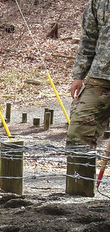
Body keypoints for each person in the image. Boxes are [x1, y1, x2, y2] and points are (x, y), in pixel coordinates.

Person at [67, 0, 110, 148]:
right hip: (100, 76)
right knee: (78, 134)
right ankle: (80, 171)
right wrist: (78, 75)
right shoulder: (99, 2)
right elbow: (88, 39)